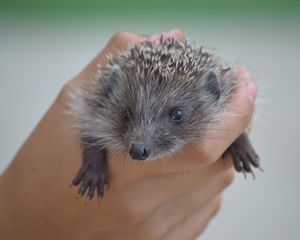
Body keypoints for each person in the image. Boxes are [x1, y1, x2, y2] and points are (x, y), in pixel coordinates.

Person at [0, 29, 257, 240]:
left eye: (176, 116)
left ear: (212, 93)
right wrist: (93, 164)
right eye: (127, 115)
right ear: (113, 91)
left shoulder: (215, 101)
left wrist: (238, 140)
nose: (140, 143)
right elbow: (91, 129)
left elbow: (230, 124)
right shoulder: (104, 104)